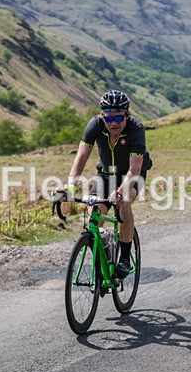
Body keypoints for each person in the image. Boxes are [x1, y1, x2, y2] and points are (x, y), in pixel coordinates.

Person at [60, 90, 151, 276]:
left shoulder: (136, 129)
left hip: (132, 175)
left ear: (127, 115)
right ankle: (102, 250)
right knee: (94, 211)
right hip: (105, 174)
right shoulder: (95, 125)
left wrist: (119, 192)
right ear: (103, 117)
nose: (114, 124)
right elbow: (81, 157)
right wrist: (69, 186)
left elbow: (134, 169)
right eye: (109, 119)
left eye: (118, 118)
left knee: (124, 202)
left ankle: (124, 258)